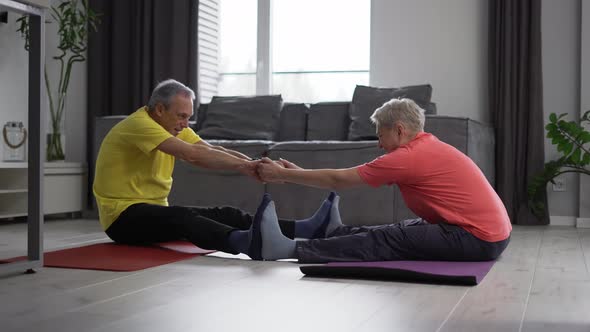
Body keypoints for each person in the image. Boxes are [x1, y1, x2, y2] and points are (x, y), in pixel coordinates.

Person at [246, 98, 512, 263]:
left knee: (389, 238)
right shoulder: (428, 146)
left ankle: (290, 249)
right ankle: (333, 233)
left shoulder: (408, 157)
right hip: (489, 234)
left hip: (478, 238)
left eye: (381, 135)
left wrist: (282, 174)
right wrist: (296, 172)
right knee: (398, 228)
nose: (379, 144)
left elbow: (339, 180)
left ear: (399, 130)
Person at [94, 79, 340, 257]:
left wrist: (253, 164)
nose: (185, 124)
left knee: (227, 213)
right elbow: (193, 156)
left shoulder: (172, 126)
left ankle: (306, 228)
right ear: (159, 109)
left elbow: (209, 149)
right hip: (122, 219)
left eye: (188, 117)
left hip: (152, 213)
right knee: (183, 218)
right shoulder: (139, 125)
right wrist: (246, 166)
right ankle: (248, 244)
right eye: (181, 116)